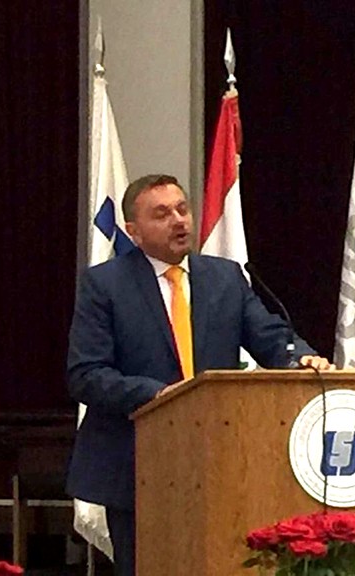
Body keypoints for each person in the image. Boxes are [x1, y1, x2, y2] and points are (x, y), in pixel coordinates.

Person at [65, 174, 333, 575]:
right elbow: (86, 373)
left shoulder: (225, 277)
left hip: (221, 461)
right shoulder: (105, 285)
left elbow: (270, 336)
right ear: (134, 232)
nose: (179, 220)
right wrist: (161, 396)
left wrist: (301, 360)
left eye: (182, 209)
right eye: (162, 214)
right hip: (138, 465)